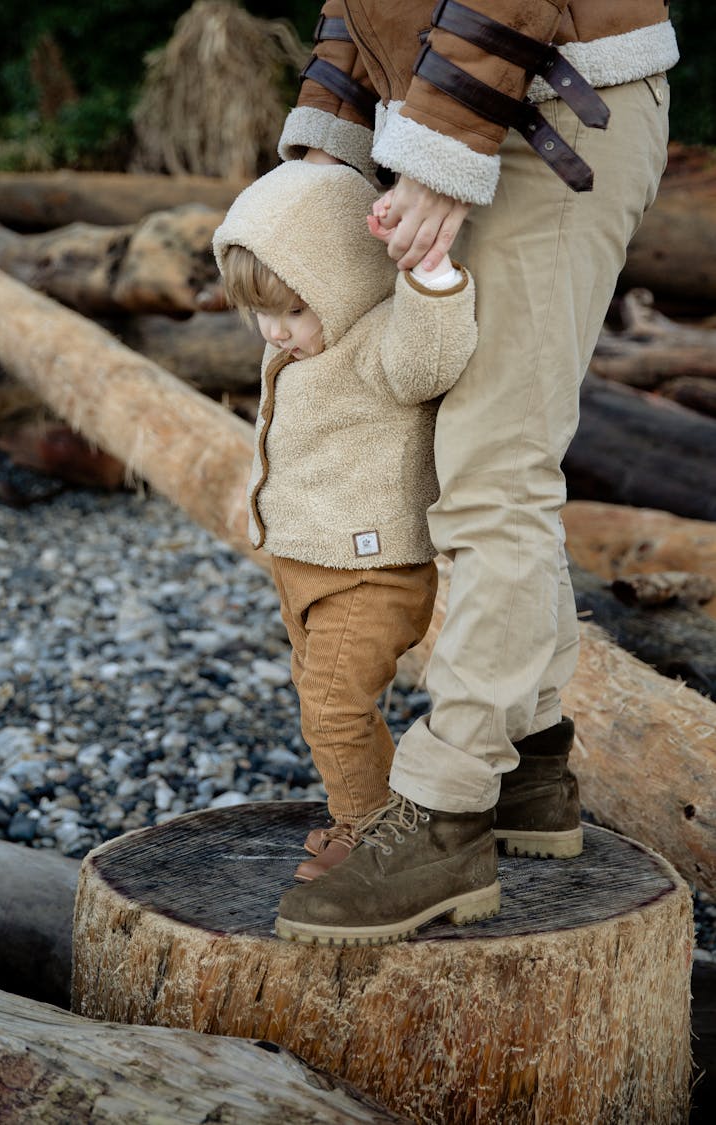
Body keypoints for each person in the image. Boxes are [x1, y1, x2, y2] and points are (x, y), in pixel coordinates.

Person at [272, 0, 678, 946]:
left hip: (548, 107)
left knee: (497, 470)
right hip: (467, 102)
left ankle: (446, 812)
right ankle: (530, 760)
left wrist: (443, 148)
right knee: (462, 461)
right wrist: (331, 140)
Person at [212, 159, 480, 884]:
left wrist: (429, 274)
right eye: (260, 313)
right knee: (321, 701)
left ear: (344, 277)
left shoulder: (379, 337)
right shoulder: (304, 339)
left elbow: (429, 359)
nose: (276, 331)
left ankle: (374, 840)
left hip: (369, 569)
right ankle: (375, 814)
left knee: (334, 707)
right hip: (306, 566)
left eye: (294, 311)